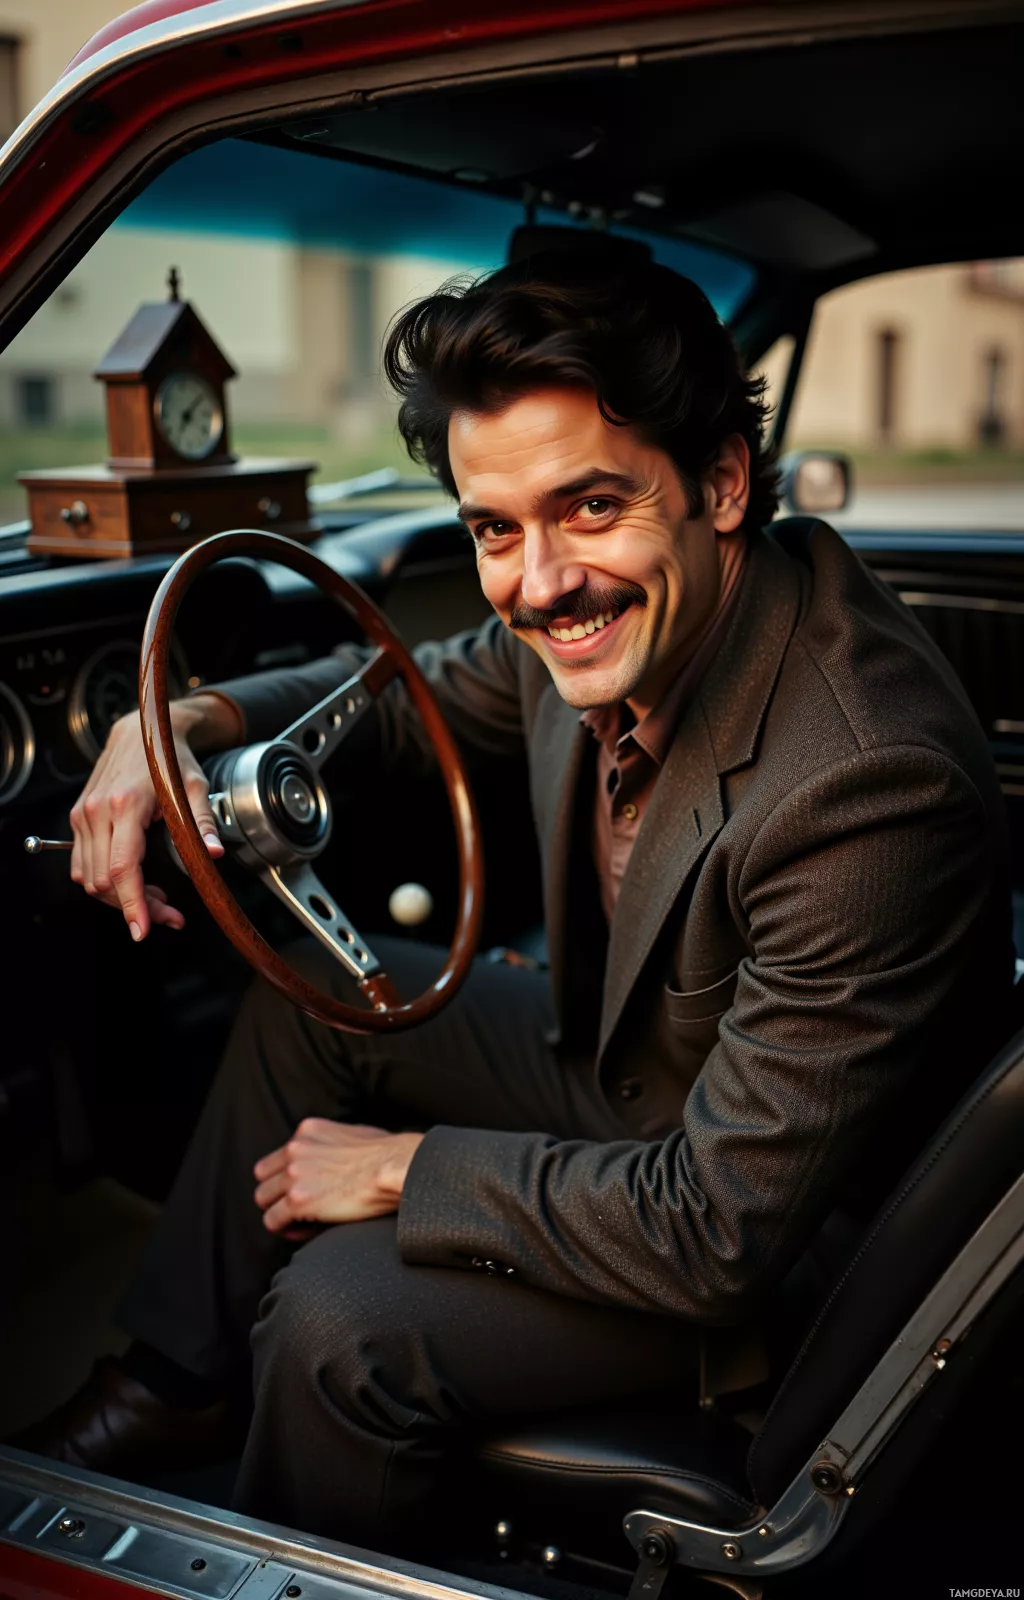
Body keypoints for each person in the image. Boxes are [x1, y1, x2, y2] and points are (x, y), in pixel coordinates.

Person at [17, 251, 1012, 1546]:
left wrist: (402, 1171)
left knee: (336, 1320)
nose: (538, 585)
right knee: (321, 999)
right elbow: (405, 698)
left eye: (591, 506)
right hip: (651, 1086)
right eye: (496, 528)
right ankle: (174, 1388)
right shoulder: (599, 620)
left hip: (794, 1256)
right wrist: (177, 724)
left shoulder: (865, 780)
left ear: (721, 483)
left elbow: (720, 1230)